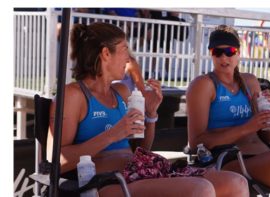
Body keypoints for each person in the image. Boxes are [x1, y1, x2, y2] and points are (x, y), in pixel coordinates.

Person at [47, 22, 249, 196]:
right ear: (106, 53)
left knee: (235, 183)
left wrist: (151, 116)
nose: (129, 59)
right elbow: (56, 162)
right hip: (106, 183)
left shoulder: (121, 91)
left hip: (142, 171)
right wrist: (112, 135)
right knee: (200, 189)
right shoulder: (74, 95)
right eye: (125, 49)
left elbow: (140, 148)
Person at [187, 24, 270, 197]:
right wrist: (247, 127)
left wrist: (266, 120)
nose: (224, 57)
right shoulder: (204, 85)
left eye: (230, 51)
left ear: (238, 52)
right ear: (211, 54)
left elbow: (266, 137)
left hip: (264, 155)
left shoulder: (249, 82)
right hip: (230, 160)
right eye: (217, 52)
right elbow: (196, 144)